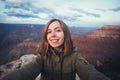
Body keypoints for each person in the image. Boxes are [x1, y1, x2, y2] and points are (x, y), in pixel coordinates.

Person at [1, 19, 111, 80]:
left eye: (58, 30)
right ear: (46, 36)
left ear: (65, 34)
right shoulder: (42, 57)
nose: (52, 34)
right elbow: (26, 72)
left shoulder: (75, 58)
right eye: (48, 32)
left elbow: (91, 74)